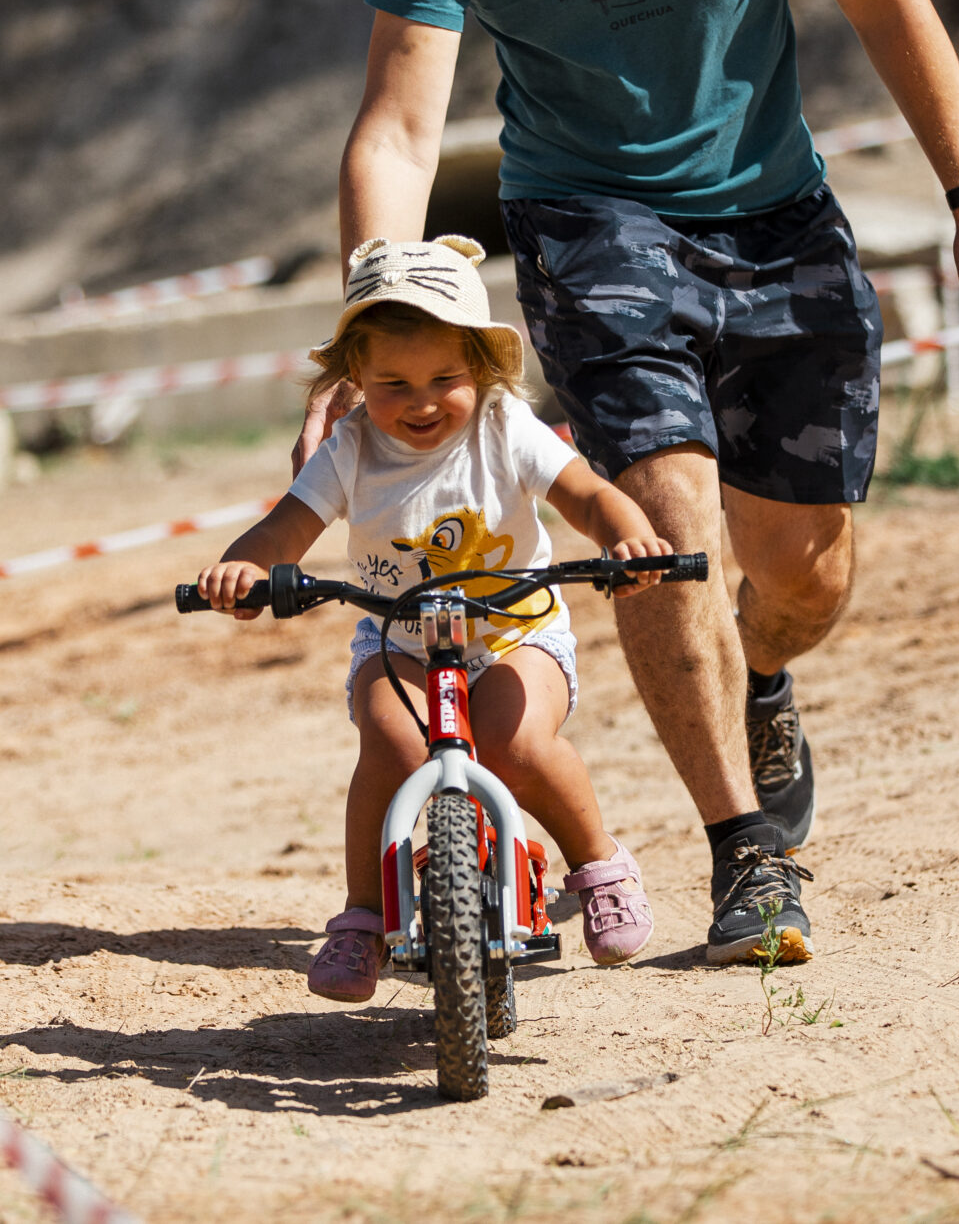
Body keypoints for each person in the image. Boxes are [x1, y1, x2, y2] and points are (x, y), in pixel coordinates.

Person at [299, 0, 959, 966]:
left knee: (807, 568)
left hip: (773, 207)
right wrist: (373, 321)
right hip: (592, 220)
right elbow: (398, 123)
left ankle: (763, 669)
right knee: (660, 527)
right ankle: (745, 853)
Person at [201, 236, 681, 999]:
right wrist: (247, 566)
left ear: (483, 368)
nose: (421, 401)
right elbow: (286, 527)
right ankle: (361, 916)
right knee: (390, 741)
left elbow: (586, 491)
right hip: (401, 638)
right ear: (353, 375)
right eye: (392, 382)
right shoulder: (350, 448)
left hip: (515, 630)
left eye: (443, 378)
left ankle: (598, 863)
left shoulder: (503, 425)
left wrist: (626, 533)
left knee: (515, 743)